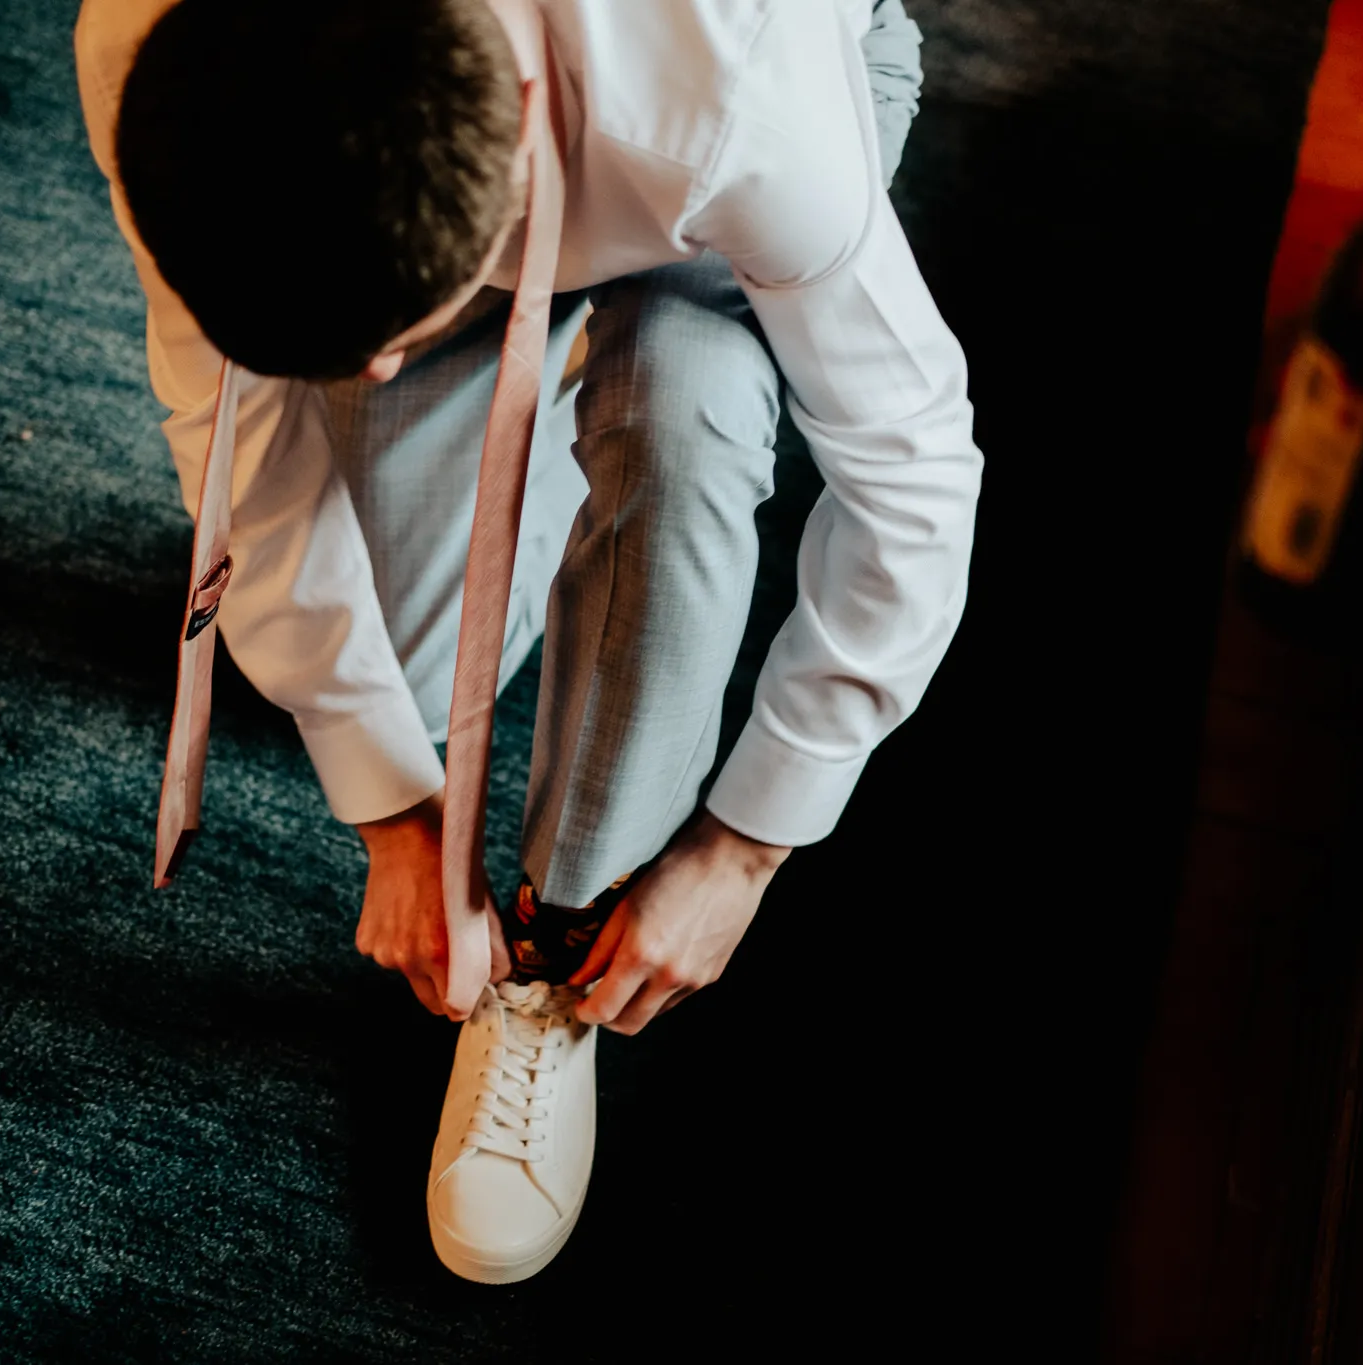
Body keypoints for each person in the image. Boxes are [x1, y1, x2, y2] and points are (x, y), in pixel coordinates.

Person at [74, 0, 980, 1282]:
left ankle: (560, 949)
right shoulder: (152, 48)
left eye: (381, 343)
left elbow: (917, 483)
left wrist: (743, 848)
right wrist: (388, 803)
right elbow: (232, 431)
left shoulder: (749, 115)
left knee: (689, 410)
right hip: (465, 157)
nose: (372, 372)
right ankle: (552, 427)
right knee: (413, 667)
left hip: (699, 162)